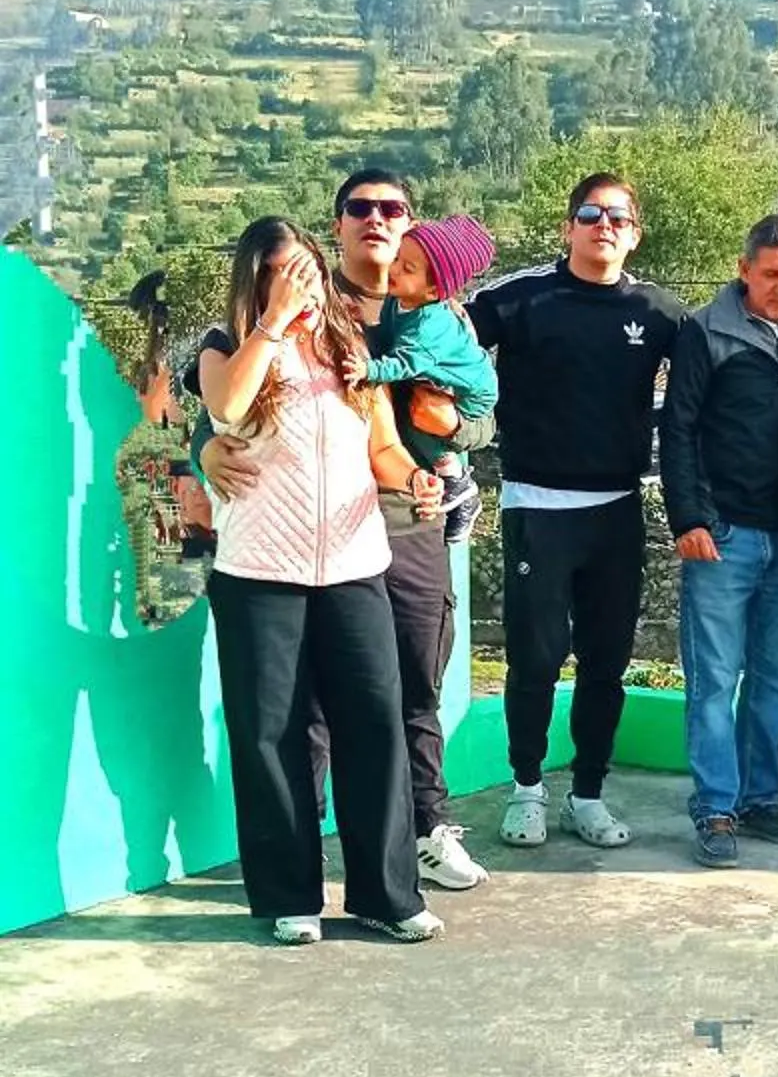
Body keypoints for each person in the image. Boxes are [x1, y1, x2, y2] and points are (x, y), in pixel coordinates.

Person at [198, 168, 487, 892]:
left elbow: (476, 411)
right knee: (310, 715)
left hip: (399, 530)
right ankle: (304, 858)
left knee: (408, 694)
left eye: (392, 209)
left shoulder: (442, 313)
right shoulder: (287, 323)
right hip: (288, 553)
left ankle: (424, 836)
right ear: (339, 228)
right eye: (361, 207)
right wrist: (203, 450)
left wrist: (452, 434)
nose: (377, 219)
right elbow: (222, 412)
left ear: (410, 222)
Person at [467, 173, 684, 849]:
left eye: (618, 216)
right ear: (569, 227)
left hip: (617, 510)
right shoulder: (521, 298)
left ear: (634, 232)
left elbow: (726, 370)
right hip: (538, 506)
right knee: (534, 658)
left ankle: (587, 794)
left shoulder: (659, 311)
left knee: (605, 661)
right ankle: (527, 791)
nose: (604, 225)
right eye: (590, 213)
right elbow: (438, 342)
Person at [660, 214, 778, 866]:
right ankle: (715, 810)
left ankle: (759, 800)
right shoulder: (704, 332)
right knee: (714, 681)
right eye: (771, 275)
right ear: (745, 271)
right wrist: (689, 519)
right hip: (724, 535)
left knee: (776, 683)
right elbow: (677, 430)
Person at [360, 213, 498, 543]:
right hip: (440, 381)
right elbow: (392, 335)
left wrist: (369, 370)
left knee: (419, 420)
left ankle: (456, 482)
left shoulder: (431, 325)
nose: (393, 270)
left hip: (469, 393)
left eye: (407, 268)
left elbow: (404, 361)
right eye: (397, 260)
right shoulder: (402, 300)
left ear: (436, 289)